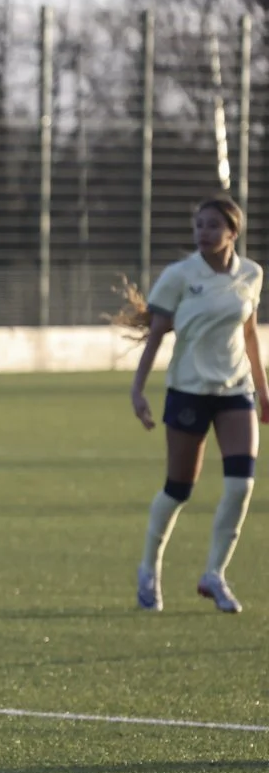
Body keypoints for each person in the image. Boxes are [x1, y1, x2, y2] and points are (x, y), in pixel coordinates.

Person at [123, 197, 266, 612]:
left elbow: (251, 334)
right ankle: (149, 569)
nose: (202, 232)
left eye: (212, 226)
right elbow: (156, 335)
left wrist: (263, 388)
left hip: (236, 391)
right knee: (179, 488)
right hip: (188, 391)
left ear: (232, 233)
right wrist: (138, 390)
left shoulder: (251, 274)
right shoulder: (180, 276)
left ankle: (214, 574)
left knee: (242, 484)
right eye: (198, 225)